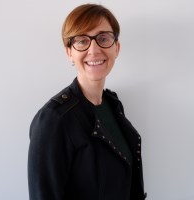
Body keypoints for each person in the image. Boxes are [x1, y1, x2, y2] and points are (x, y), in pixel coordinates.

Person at [28, 3, 147, 200]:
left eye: (103, 38)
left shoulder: (112, 104)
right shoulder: (53, 119)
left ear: (116, 48)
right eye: (82, 41)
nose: (94, 50)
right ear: (69, 52)